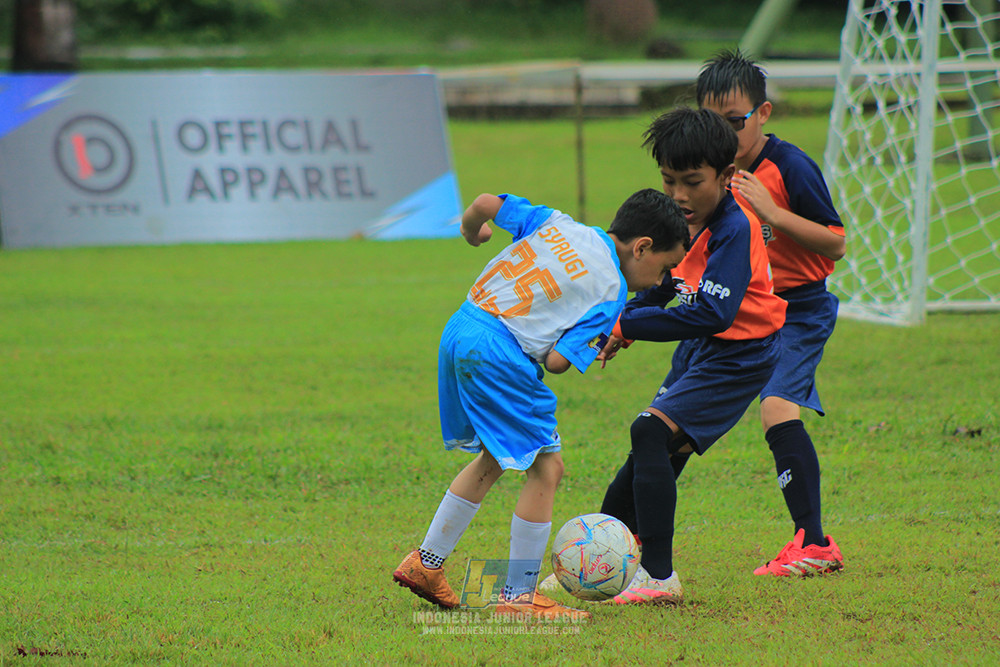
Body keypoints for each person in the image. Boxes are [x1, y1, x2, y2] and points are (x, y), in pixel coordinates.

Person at [392, 187, 690, 619]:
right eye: (666, 268)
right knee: (547, 466)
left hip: (462, 327)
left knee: (494, 456)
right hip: (501, 353)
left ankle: (426, 563)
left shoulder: (559, 222)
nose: (663, 281)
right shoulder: (611, 291)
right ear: (642, 247)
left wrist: (472, 230)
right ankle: (519, 597)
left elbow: (486, 203)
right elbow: (556, 362)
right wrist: (594, 340)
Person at [581, 106, 787, 606]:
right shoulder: (691, 221)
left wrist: (628, 323)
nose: (678, 195)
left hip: (740, 355)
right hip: (703, 351)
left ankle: (657, 575)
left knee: (649, 432)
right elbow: (668, 283)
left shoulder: (735, 230)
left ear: (727, 176)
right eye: (670, 180)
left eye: (692, 181)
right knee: (650, 455)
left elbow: (714, 313)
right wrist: (627, 323)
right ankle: (599, 567)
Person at [697, 48, 846, 577]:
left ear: (763, 114)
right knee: (663, 421)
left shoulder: (789, 167)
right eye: (710, 123)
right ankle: (625, 534)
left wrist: (774, 214)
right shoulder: (706, 173)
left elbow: (835, 244)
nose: (723, 135)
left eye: (734, 123)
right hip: (730, 307)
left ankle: (814, 542)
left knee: (777, 406)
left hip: (797, 308)